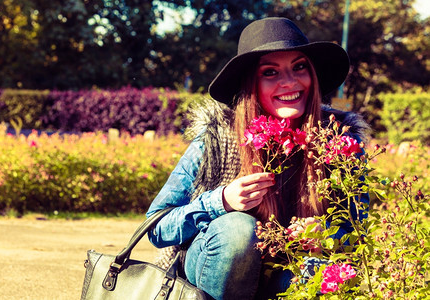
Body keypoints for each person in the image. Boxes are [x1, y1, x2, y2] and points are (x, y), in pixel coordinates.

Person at [146, 17, 369, 300]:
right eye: (270, 72)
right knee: (239, 230)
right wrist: (221, 201)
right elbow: (156, 227)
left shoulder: (339, 141)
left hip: (288, 270)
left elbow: (356, 230)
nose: (289, 82)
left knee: (321, 274)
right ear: (251, 83)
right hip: (214, 269)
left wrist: (325, 234)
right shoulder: (218, 137)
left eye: (299, 67)